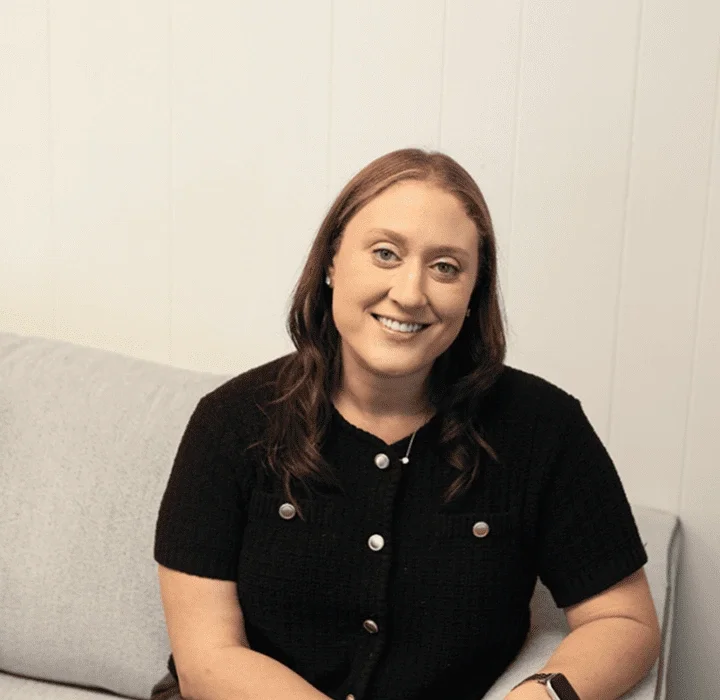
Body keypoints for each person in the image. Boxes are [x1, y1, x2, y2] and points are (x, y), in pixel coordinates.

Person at [152, 148, 661, 700]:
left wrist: (538, 696)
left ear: (472, 294)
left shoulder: (544, 428)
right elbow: (207, 660)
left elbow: (624, 621)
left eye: (445, 267)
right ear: (331, 262)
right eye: (386, 253)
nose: (411, 293)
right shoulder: (230, 422)